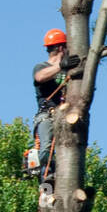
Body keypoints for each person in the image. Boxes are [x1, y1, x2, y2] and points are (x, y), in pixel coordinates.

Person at [31, 29, 82, 185]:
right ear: (61, 48)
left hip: (66, 116)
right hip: (47, 114)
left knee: (69, 150)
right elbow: (40, 77)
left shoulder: (68, 68)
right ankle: (46, 178)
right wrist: (61, 65)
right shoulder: (41, 67)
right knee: (46, 147)